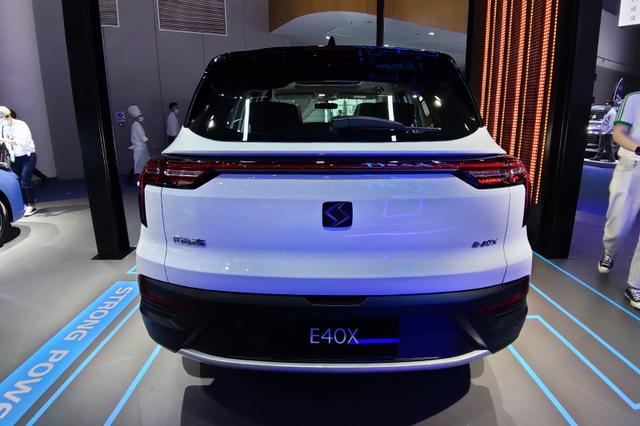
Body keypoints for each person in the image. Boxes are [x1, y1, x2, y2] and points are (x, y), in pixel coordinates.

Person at [598, 92, 640, 309]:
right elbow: (618, 133)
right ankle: (609, 252)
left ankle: (635, 284)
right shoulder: (634, 99)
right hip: (631, 167)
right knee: (617, 225)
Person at [0, 106, 38, 216]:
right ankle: (23, 204)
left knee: (25, 181)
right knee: (15, 181)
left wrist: (3, 139)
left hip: (27, 156)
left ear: (8, 116)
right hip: (15, 158)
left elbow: (21, 142)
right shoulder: (3, 127)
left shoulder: (21, 125)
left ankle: (31, 204)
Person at [10, 109, 49, 185]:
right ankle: (43, 177)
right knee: (24, 169)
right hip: (16, 153)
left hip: (22, 152)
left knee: (24, 171)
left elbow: (21, 141)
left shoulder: (20, 126)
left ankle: (42, 178)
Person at [127, 105, 151, 185]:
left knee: (139, 164)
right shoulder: (137, 126)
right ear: (135, 117)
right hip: (140, 149)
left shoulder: (136, 125)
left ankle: (133, 180)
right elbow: (143, 137)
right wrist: (152, 145)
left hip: (141, 149)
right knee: (138, 165)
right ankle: (135, 181)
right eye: (140, 116)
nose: (141, 117)